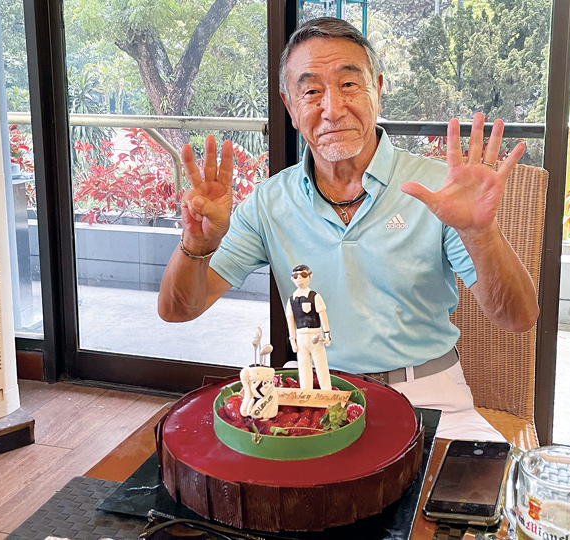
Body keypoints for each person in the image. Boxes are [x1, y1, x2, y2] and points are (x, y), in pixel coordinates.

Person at [158, 17, 539, 441]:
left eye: (349, 84)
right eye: (311, 91)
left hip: (430, 395)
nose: (332, 109)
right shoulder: (269, 202)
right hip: (313, 392)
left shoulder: (439, 190)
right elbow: (178, 310)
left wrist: (481, 233)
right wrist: (196, 245)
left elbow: (519, 318)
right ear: (290, 106)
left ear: (378, 88)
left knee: (475, 485)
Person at [286, 264, 332, 391]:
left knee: (321, 365)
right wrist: (292, 339)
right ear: (292, 279)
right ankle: (306, 393)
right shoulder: (291, 300)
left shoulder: (315, 296)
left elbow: (322, 314)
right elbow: (290, 320)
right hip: (300, 338)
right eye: (296, 276)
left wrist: (327, 333)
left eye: (303, 275)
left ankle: (326, 392)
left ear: (310, 276)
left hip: (315, 335)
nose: (300, 278)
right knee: (303, 367)